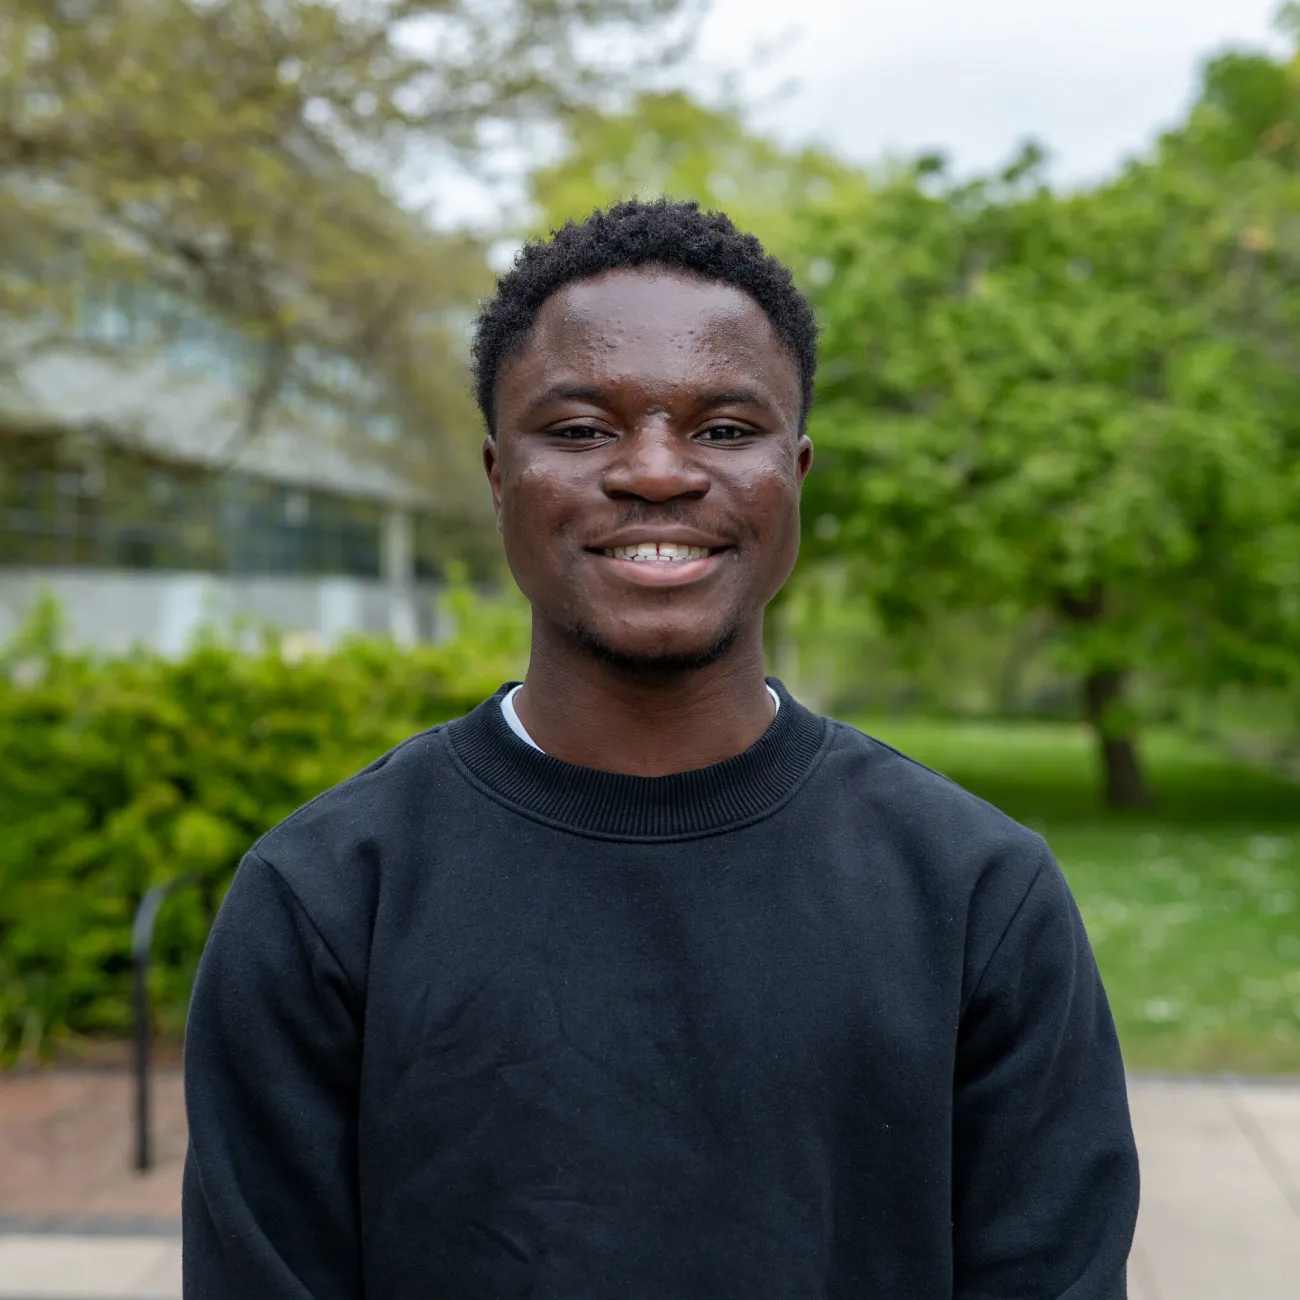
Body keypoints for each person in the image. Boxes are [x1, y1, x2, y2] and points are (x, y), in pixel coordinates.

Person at [182, 198, 1139, 1299]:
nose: (654, 471)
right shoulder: (324, 898)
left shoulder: (975, 892)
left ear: (796, 470)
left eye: (724, 430)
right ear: (499, 472)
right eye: (583, 428)